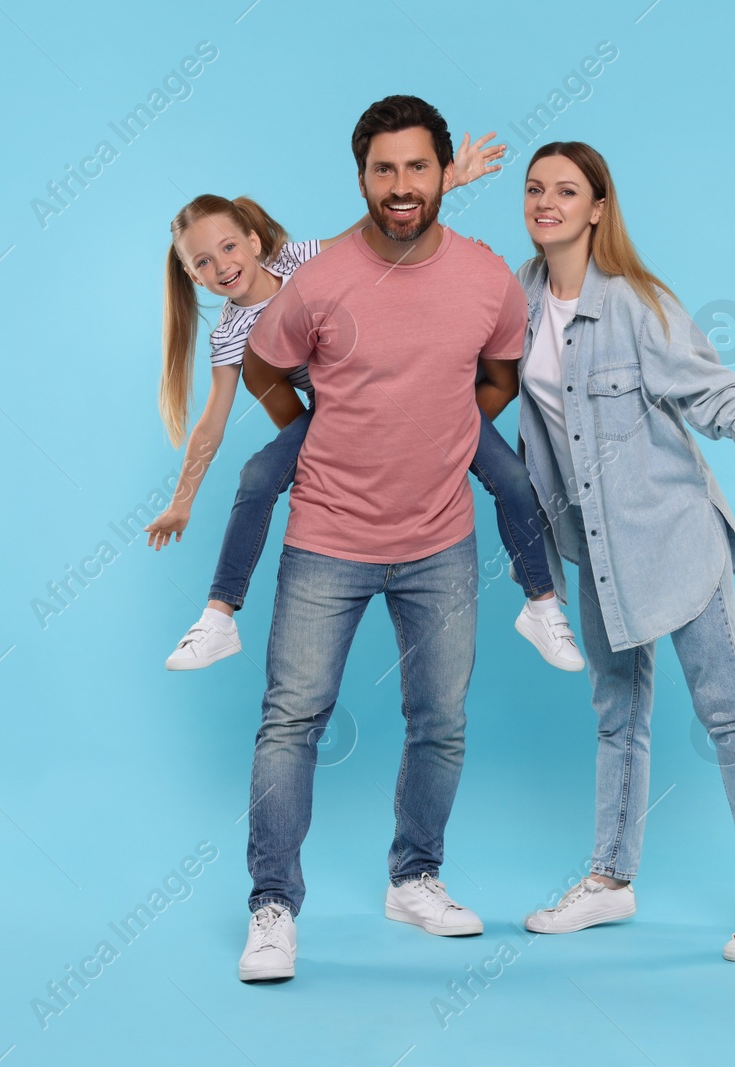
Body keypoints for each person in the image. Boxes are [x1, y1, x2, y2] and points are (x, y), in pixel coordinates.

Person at [511, 142, 735, 961]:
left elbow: (713, 393)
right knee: (617, 713)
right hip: (595, 545)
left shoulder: (637, 302)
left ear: (598, 207)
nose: (547, 202)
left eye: (567, 190)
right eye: (535, 189)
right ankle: (610, 879)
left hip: (673, 533)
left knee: (726, 709)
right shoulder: (518, 298)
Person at [235, 96, 536, 981]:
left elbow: (501, 372)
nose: (400, 187)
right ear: (361, 177)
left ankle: (416, 878)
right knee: (291, 721)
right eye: (383, 169)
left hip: (439, 542)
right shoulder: (322, 279)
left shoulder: (487, 277)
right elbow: (261, 359)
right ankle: (272, 905)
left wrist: (443, 438)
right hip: (327, 535)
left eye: (417, 167)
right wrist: (312, 432)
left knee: (439, 721)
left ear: (444, 173)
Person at [142, 148, 582, 674]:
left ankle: (542, 604)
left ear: (254, 242)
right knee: (257, 474)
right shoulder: (230, 334)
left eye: (228, 247)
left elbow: (366, 230)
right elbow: (211, 423)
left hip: (415, 392)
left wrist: (450, 182)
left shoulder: (297, 260)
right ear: (194, 277)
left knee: (511, 476)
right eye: (203, 263)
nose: (222, 266)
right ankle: (218, 617)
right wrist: (181, 502)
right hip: (335, 415)